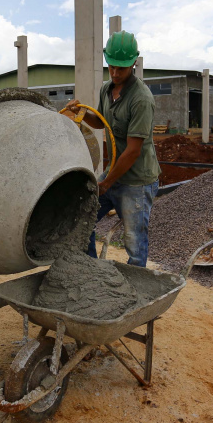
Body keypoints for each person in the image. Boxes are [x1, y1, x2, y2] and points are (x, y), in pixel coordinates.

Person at [64, 31, 160, 267]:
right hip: (114, 172)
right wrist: (81, 112)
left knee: (134, 240)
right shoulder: (107, 89)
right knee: (83, 219)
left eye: (122, 68)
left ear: (133, 63)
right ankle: (93, 272)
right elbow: (101, 122)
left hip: (137, 181)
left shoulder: (141, 99)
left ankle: (136, 283)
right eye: (112, 67)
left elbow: (133, 151)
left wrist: (106, 183)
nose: (115, 73)